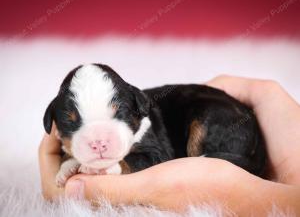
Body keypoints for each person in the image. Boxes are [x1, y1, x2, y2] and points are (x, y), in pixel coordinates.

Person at [39, 76, 300, 216]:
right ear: (55, 125)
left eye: (115, 117)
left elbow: (151, 158)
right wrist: (74, 163)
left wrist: (118, 167)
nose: (97, 142)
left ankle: (224, 159)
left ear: (138, 110)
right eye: (75, 125)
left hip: (217, 120)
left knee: (208, 117)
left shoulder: (146, 130)